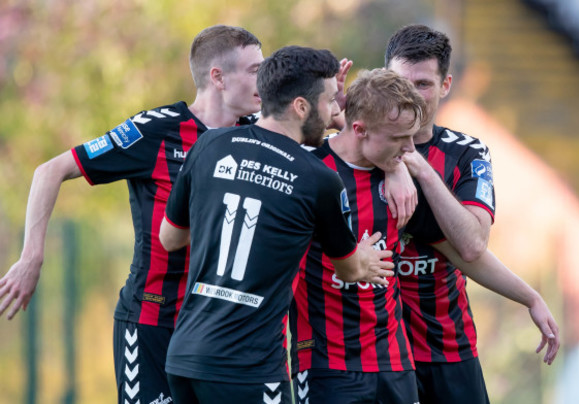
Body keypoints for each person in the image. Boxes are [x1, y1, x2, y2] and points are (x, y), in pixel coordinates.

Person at [0, 25, 264, 404]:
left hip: (222, 332)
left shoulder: (262, 135)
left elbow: (335, 146)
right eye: (255, 70)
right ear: (217, 77)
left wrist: (384, 168)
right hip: (152, 325)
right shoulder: (154, 131)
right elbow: (50, 171)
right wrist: (31, 257)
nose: (266, 79)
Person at [158, 45, 395, 404]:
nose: (335, 111)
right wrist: (365, 256)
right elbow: (349, 271)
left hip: (184, 359)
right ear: (301, 107)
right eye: (331, 101)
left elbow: (170, 238)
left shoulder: (209, 144)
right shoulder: (318, 178)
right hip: (248, 369)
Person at [384, 24, 560, 403]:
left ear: (446, 85)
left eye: (423, 84)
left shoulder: (467, 153)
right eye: (400, 84)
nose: (411, 97)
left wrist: (419, 168)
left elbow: (471, 243)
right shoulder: (352, 151)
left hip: (448, 348)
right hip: (375, 355)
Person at [290, 68, 428, 404]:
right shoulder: (304, 169)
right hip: (326, 362)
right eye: (399, 138)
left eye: (412, 136)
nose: (410, 149)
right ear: (359, 129)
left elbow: (466, 249)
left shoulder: (402, 173)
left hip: (394, 360)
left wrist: (529, 297)